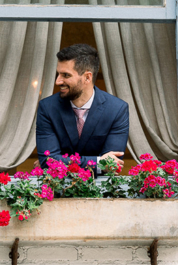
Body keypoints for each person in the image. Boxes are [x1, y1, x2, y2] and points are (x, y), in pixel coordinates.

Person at [36, 44, 128, 174]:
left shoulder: (117, 109)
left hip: (101, 191)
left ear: (87, 77)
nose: (58, 81)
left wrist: (59, 162)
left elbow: (112, 165)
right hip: (57, 189)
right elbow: (48, 161)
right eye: (58, 74)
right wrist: (99, 163)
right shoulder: (47, 108)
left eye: (66, 75)